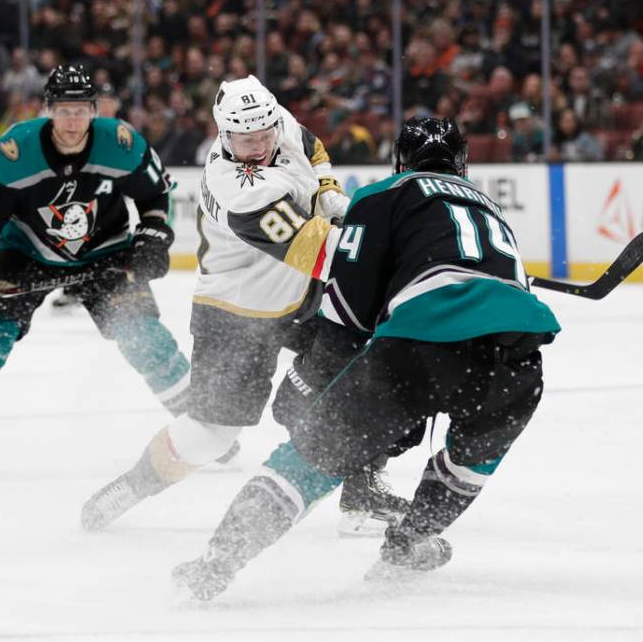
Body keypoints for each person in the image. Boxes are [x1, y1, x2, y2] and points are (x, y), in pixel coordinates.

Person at [171, 117, 562, 600]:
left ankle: (218, 561)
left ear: (399, 160)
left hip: (419, 349)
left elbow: (351, 308)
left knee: (308, 458)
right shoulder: (491, 209)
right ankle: (409, 543)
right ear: (462, 163)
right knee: (467, 464)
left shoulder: (382, 195)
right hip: (519, 364)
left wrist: (315, 379)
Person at [79, 75, 409, 537]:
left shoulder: (273, 120)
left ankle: (363, 497)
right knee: (211, 436)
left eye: (263, 135)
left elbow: (310, 148)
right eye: (245, 140)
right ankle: (133, 487)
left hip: (300, 297)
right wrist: (395, 252)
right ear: (223, 134)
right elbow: (318, 252)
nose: (257, 145)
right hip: (235, 313)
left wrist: (327, 190)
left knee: (365, 373)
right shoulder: (238, 191)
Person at [0, 66, 192, 473]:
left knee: (145, 338)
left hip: (105, 253)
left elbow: (156, 195)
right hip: (26, 254)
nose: (73, 121)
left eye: (81, 110)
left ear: (93, 110)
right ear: (48, 109)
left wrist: (154, 237)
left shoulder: (121, 144)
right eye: (64, 110)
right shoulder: (14, 151)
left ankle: (202, 429)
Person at [51, 82, 125, 313]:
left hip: (111, 193)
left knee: (108, 241)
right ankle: (74, 288)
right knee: (77, 238)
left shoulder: (123, 130)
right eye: (102, 100)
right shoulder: (85, 128)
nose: (106, 105)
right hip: (85, 190)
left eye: (109, 100)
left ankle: (109, 292)